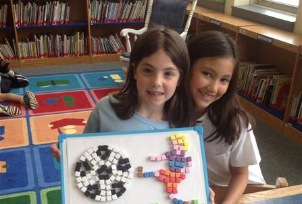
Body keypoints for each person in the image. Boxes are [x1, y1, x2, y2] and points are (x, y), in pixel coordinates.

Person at [50, 26, 194, 157]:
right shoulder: (105, 110)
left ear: (180, 79)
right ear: (135, 71)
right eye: (147, 70)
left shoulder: (184, 124)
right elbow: (86, 154)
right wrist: (69, 157)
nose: (156, 82)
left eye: (168, 74)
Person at [188, 31, 265, 204]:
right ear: (188, 67)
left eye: (224, 80)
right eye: (207, 74)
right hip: (204, 188)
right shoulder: (170, 112)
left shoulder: (236, 122)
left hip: (243, 192)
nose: (213, 88)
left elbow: (241, 175)